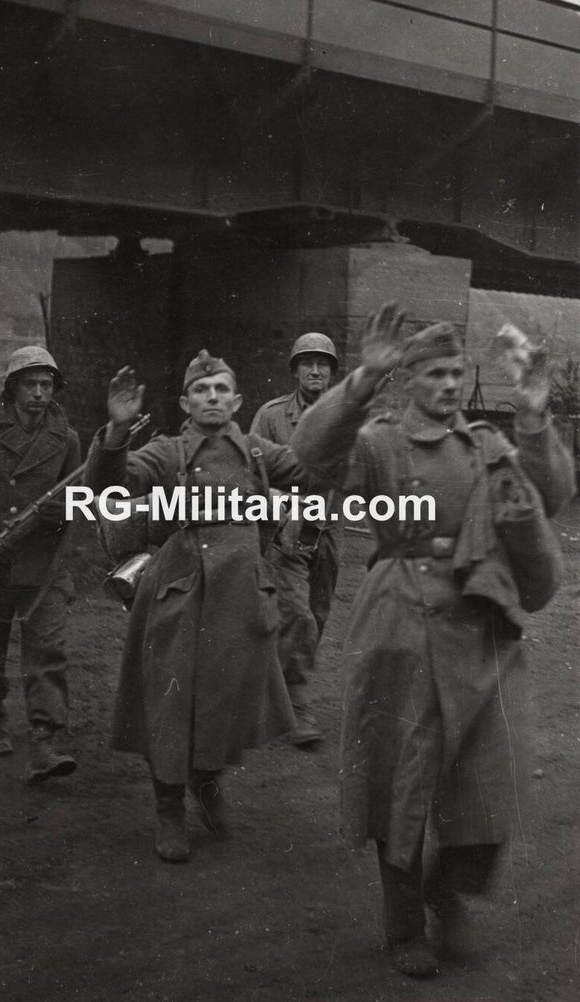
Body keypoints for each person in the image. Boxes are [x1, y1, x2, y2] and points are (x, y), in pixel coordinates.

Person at [291, 305, 574, 977]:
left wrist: (534, 417)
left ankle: (448, 893)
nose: (450, 385)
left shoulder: (486, 443)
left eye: (457, 373)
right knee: (402, 780)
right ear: (409, 380)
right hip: (401, 623)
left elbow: (553, 495)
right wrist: (362, 379)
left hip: (483, 621)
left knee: (490, 776)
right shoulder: (381, 441)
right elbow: (309, 454)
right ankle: (403, 923)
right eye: (436, 374)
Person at [84, 350, 305, 863]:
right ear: (186, 401)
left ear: (238, 400)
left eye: (222, 390)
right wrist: (116, 434)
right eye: (202, 391)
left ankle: (207, 787)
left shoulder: (256, 452)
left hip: (239, 600)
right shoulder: (168, 451)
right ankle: (168, 810)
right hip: (177, 595)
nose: (212, 398)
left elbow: (311, 466)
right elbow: (109, 487)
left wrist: (343, 417)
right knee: (170, 702)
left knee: (220, 702)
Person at [0, 346, 79, 782]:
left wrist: (68, 508)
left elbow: (83, 498)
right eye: (30, 384)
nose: (39, 393)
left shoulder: (68, 439)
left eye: (46, 385)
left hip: (45, 562)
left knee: (47, 651)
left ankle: (44, 740)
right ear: (13, 388)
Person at [250, 332, 340, 746]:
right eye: (308, 363)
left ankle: (277, 691)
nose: (316, 370)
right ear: (295, 371)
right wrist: (276, 501)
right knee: (297, 615)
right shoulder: (271, 416)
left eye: (323, 364)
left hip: (326, 530)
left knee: (316, 615)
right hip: (285, 532)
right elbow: (253, 469)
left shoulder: (345, 415)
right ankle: (298, 709)